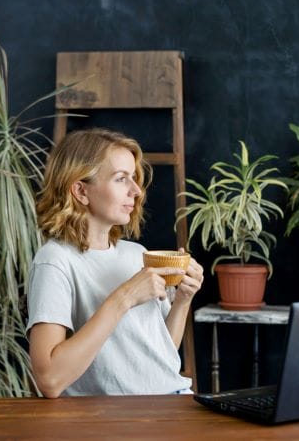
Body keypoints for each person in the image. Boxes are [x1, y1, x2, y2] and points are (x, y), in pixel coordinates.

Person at [26, 128, 203, 398]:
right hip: (122, 418)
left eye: (134, 178)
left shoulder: (137, 254)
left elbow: (159, 356)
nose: (136, 191)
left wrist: (183, 299)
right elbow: (49, 379)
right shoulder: (55, 260)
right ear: (81, 191)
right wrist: (124, 297)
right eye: (121, 179)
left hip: (173, 401)